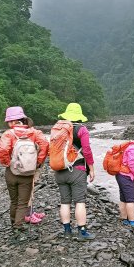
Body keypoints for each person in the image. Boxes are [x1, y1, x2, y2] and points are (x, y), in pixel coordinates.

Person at [0, 106, 49, 241]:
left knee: (14, 200)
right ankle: (18, 226)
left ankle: (14, 223)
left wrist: (8, 163)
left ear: (13, 121)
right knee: (22, 202)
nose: (9, 124)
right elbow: (45, 145)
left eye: (9, 121)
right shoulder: (34, 132)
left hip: (11, 172)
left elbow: (2, 150)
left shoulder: (8, 134)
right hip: (27, 172)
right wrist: (38, 162)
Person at [53, 103, 96, 241]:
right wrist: (92, 168)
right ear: (79, 115)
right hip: (77, 170)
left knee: (65, 202)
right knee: (79, 201)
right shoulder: (81, 129)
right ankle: (82, 232)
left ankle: (67, 231)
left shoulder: (58, 129)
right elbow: (87, 150)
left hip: (59, 169)